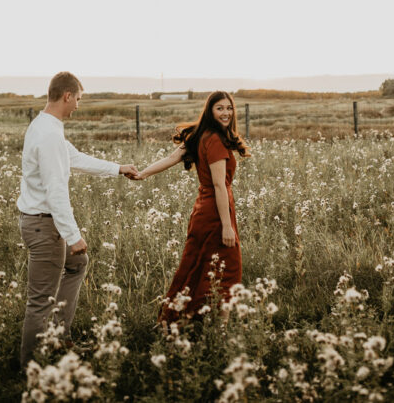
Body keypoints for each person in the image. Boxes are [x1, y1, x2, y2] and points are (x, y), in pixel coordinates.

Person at [16, 71, 139, 367]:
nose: (78, 106)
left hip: (42, 222)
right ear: (67, 95)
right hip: (44, 225)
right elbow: (56, 191)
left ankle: (59, 336)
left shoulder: (46, 126)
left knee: (77, 264)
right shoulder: (48, 134)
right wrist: (73, 236)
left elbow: (74, 158)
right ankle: (30, 368)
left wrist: (118, 168)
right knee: (40, 301)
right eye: (79, 100)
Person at [135, 90, 250, 326]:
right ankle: (220, 330)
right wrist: (227, 226)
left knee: (195, 266)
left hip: (202, 211)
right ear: (210, 110)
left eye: (229, 108)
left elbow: (169, 159)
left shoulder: (201, 135)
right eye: (220, 108)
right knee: (229, 271)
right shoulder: (216, 140)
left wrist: (143, 173)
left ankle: (178, 319)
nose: (226, 112)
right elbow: (219, 186)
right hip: (217, 213)